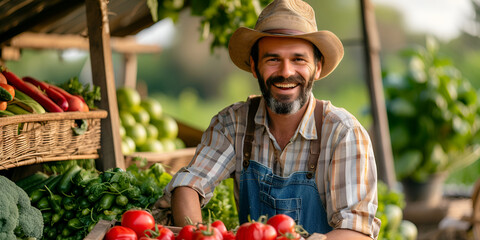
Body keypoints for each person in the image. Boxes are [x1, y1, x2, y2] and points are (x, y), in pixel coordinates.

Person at [154, 0, 381, 239]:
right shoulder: (233, 123)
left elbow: (357, 230)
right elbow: (188, 186)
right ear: (254, 66)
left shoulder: (343, 133)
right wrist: (200, 234)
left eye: (298, 59)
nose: (285, 71)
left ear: (317, 67)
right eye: (273, 59)